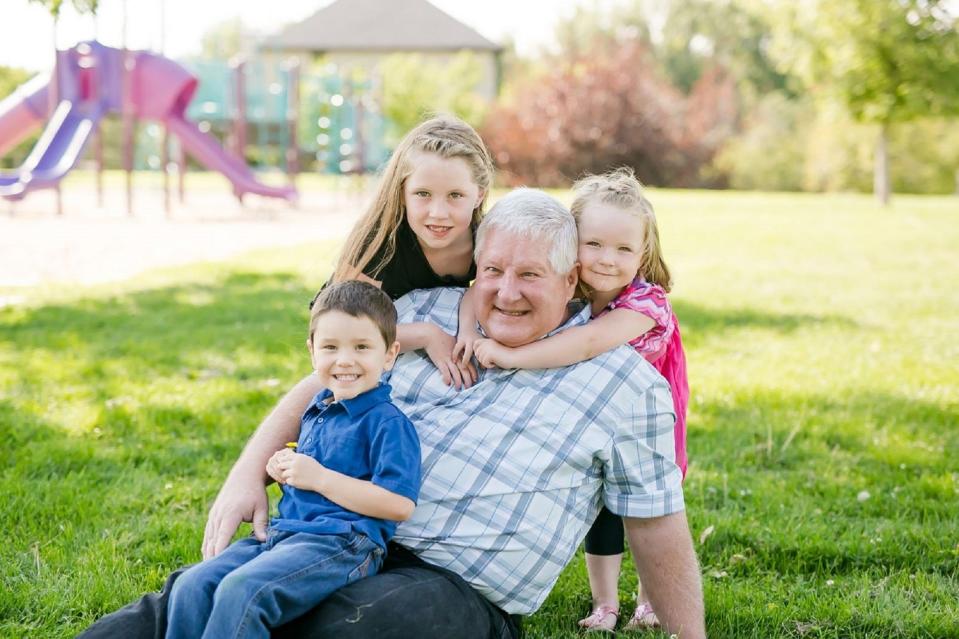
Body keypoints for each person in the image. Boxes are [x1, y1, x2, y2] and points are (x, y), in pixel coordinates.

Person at [77, 188, 705, 639]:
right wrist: (248, 472)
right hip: (327, 533)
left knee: (342, 625)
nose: (505, 292)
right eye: (492, 270)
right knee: (187, 599)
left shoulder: (624, 381)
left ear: (571, 280)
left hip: (451, 587)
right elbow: (319, 381)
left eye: (530, 275)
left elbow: (656, 521)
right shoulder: (427, 313)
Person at [468, 169, 689, 632]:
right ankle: (605, 603)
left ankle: (650, 601)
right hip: (593, 420)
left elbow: (587, 344)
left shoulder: (646, 304)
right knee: (601, 512)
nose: (608, 260)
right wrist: (471, 332)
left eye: (624, 249)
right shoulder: (571, 287)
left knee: (644, 509)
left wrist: (512, 356)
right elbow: (475, 290)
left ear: (643, 252)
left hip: (647, 423)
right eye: (595, 244)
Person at [164, 280, 421, 639]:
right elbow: (313, 470)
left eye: (362, 347)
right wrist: (284, 466)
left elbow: (399, 505)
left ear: (389, 354)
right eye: (330, 347)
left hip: (343, 543)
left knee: (243, 592)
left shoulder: (388, 423)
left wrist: (318, 478)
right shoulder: (318, 409)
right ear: (312, 352)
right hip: (287, 534)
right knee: (193, 584)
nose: (344, 360)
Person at [329, 114, 495, 390]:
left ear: (479, 194)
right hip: (361, 358)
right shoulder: (381, 240)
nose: (438, 213)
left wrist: (468, 328)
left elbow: (481, 288)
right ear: (402, 191)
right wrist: (425, 336)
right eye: (423, 194)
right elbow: (339, 328)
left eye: (455, 195)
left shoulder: (488, 238)